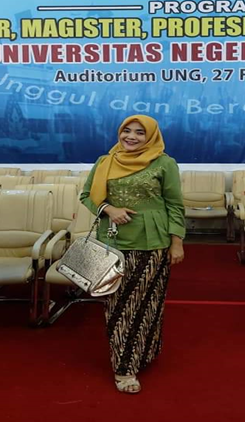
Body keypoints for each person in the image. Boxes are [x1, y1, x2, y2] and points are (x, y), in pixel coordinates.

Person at [80, 114, 185, 394]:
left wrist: (177, 242)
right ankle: (124, 367)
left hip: (153, 243)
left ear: (150, 136)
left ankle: (144, 352)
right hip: (112, 243)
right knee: (118, 305)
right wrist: (109, 209)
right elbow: (87, 195)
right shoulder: (105, 161)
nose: (131, 137)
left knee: (149, 302)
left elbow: (175, 205)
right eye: (127, 131)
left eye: (140, 132)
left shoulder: (164, 163)